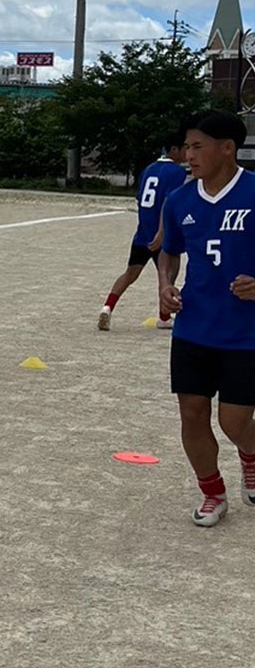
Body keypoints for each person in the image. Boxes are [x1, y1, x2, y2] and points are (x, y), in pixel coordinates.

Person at [158, 110, 255, 527]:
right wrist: (165, 284)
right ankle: (213, 492)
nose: (189, 155)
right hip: (194, 328)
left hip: (245, 333)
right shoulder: (179, 200)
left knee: (233, 421)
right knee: (192, 414)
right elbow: (168, 252)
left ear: (227, 148)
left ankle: (250, 456)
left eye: (198, 147)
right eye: (187, 147)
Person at [98, 125, 190, 331]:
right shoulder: (176, 171)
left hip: (141, 234)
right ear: (174, 150)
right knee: (166, 276)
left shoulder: (148, 169)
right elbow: (168, 201)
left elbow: (141, 200)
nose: (187, 153)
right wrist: (162, 231)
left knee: (129, 274)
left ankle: (107, 307)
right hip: (160, 235)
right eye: (185, 148)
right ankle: (164, 317)